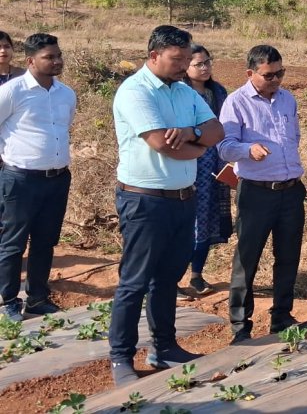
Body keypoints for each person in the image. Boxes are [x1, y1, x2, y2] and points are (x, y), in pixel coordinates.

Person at [109, 25, 224, 386]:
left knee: (167, 279)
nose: (184, 66)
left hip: (182, 199)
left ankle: (164, 348)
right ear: (154, 56)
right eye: (177, 59)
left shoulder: (184, 91)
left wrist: (191, 134)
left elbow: (216, 131)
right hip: (145, 200)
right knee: (135, 282)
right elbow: (161, 143)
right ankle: (121, 358)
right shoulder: (135, 91)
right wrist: (198, 146)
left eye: (187, 59)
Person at [218, 45, 306, 344]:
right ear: (250, 73)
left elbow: (294, 137)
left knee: (288, 256)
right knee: (247, 258)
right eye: (269, 75)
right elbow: (224, 147)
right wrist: (248, 150)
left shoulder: (287, 99)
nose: (276, 80)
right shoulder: (236, 102)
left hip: (290, 191)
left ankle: (282, 316)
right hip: (256, 193)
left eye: (280, 73)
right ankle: (240, 326)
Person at [0, 33, 76, 322]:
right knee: (13, 243)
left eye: (58, 55)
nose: (57, 61)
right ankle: (8, 300)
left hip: (57, 179)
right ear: (31, 61)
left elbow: (64, 128)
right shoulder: (12, 91)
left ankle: (37, 299)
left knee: (45, 241)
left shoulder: (66, 94)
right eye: (49, 57)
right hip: (20, 180)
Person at [181, 44, 231, 297]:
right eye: (198, 64)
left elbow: (226, 127)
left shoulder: (218, 92)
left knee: (207, 221)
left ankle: (196, 275)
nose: (205, 67)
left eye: (207, 62)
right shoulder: (180, 94)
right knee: (185, 224)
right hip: (189, 165)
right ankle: (170, 278)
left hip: (214, 167)